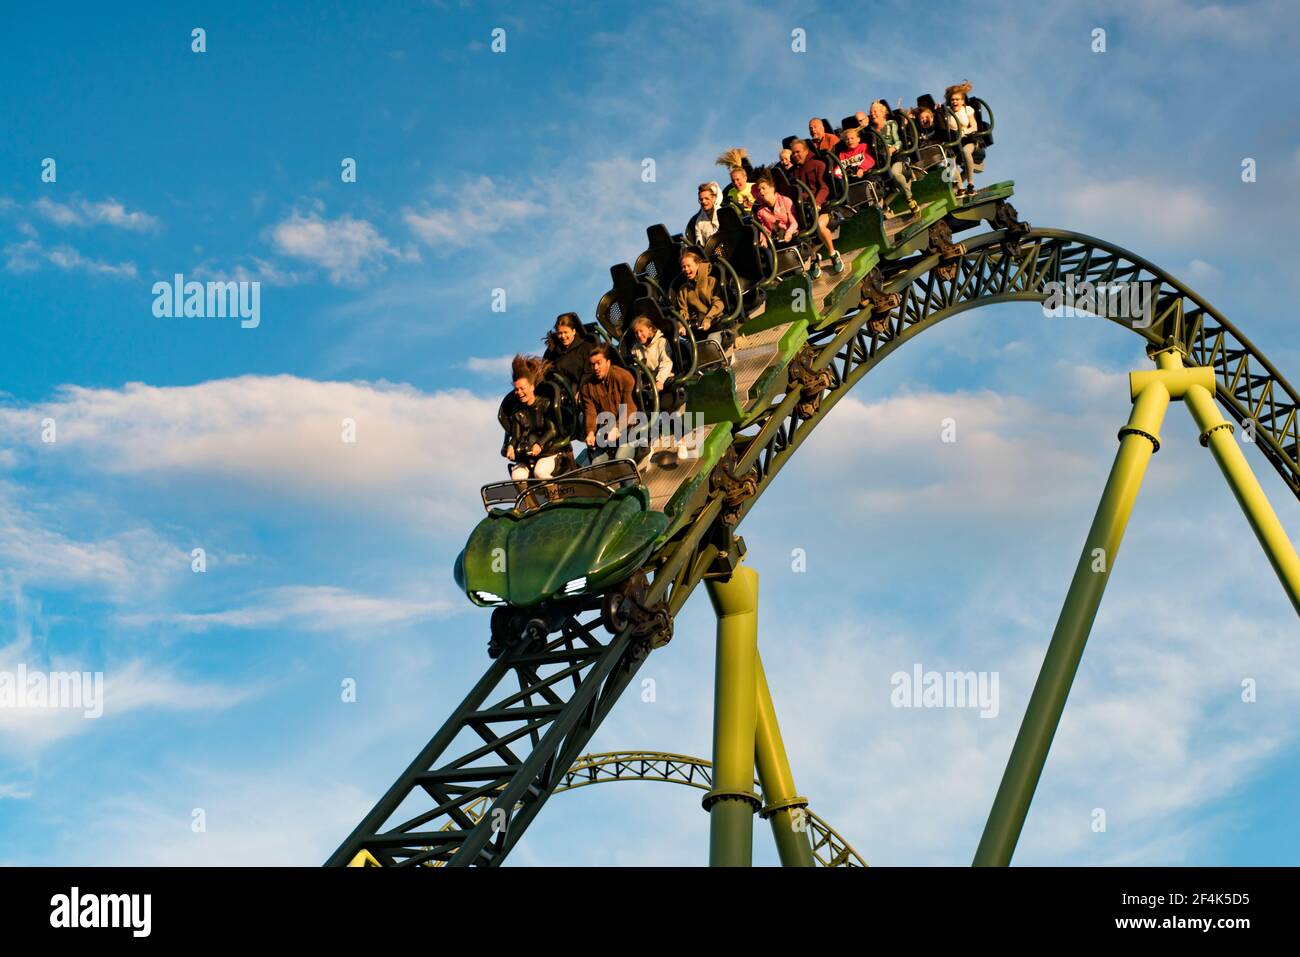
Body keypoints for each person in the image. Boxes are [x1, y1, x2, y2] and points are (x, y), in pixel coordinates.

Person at [501, 354, 561, 484]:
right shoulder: (517, 411)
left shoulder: (545, 404)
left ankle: (557, 497)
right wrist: (511, 446)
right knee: (517, 476)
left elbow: (552, 430)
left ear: (532, 387)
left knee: (540, 472)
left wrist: (539, 444)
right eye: (516, 389)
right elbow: (516, 436)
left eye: (522, 388)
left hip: (548, 451)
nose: (519, 393)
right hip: (526, 455)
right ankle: (530, 503)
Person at [789, 139, 843, 274]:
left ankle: (833, 254)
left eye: (798, 152)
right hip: (806, 211)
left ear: (806, 151)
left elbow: (824, 188)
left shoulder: (818, 164)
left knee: (819, 225)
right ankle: (814, 258)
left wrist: (817, 203)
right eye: (793, 153)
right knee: (800, 235)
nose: (795, 155)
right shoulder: (793, 174)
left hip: (824, 206)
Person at [582, 344, 638, 462]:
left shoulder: (623, 377)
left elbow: (630, 409)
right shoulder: (587, 386)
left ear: (608, 362)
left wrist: (617, 428)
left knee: (620, 459)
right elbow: (590, 413)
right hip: (607, 432)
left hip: (630, 429)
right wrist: (590, 432)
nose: (595, 367)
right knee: (597, 462)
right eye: (592, 364)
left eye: (599, 363)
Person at [868, 100, 919, 213]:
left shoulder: (891, 124)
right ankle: (882, 208)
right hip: (881, 162)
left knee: (895, 174)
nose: (872, 114)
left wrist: (892, 149)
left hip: (896, 157)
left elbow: (898, 142)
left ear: (883, 112)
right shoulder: (870, 131)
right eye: (871, 112)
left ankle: (909, 198)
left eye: (875, 111)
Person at [629, 314, 675, 408]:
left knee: (666, 405)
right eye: (636, 333)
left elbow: (666, 362)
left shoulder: (661, 342)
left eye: (641, 331)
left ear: (650, 330)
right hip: (649, 382)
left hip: (664, 379)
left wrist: (660, 380)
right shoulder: (636, 349)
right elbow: (636, 368)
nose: (639, 335)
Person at [675, 250, 725, 333]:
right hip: (698, 325)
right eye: (683, 267)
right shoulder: (683, 290)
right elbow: (683, 311)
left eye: (688, 265)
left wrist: (708, 319)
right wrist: (682, 325)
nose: (686, 269)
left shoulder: (711, 281)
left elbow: (719, 303)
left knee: (711, 344)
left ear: (697, 265)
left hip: (715, 320)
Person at [945, 80, 979, 196]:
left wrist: (965, 131)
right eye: (952, 100)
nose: (955, 102)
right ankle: (960, 187)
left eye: (957, 99)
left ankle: (970, 184)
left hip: (968, 138)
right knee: (949, 160)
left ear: (963, 101)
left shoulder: (967, 110)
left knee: (965, 151)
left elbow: (974, 126)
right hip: (955, 141)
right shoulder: (947, 114)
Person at [542, 312, 592, 386]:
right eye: (560, 333)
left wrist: (581, 390)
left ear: (573, 331)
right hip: (558, 390)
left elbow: (589, 372)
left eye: (565, 332)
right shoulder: (552, 351)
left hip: (581, 388)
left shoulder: (586, 347)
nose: (563, 336)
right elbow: (545, 371)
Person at [751, 171, 798, 244]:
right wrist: (763, 240)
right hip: (776, 240)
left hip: (792, 236)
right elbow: (765, 230)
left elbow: (794, 223)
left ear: (772, 188)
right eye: (759, 190)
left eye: (764, 188)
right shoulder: (761, 211)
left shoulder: (786, 201)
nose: (761, 192)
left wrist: (789, 233)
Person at [686, 181, 723, 248]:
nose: (703, 202)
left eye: (706, 198)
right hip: (712, 254)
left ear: (714, 198)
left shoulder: (723, 214)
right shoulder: (699, 222)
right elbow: (700, 246)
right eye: (701, 199)